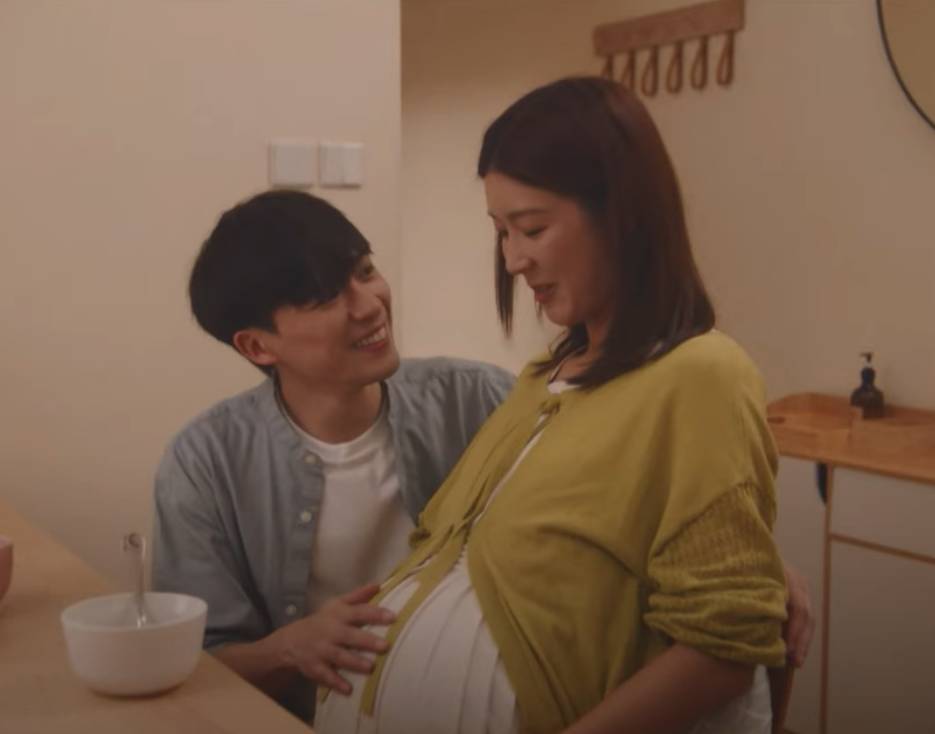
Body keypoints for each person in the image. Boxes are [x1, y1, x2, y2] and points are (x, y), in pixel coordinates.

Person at [313, 76, 799, 734]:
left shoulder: (700, 374)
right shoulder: (543, 379)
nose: (513, 260)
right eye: (500, 233)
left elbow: (722, 649)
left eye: (532, 228)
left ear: (622, 213)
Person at [151, 190, 515, 720]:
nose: (369, 305)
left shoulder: (480, 398)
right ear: (257, 346)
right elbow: (197, 660)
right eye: (324, 299)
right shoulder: (204, 462)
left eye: (365, 271)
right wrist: (288, 648)